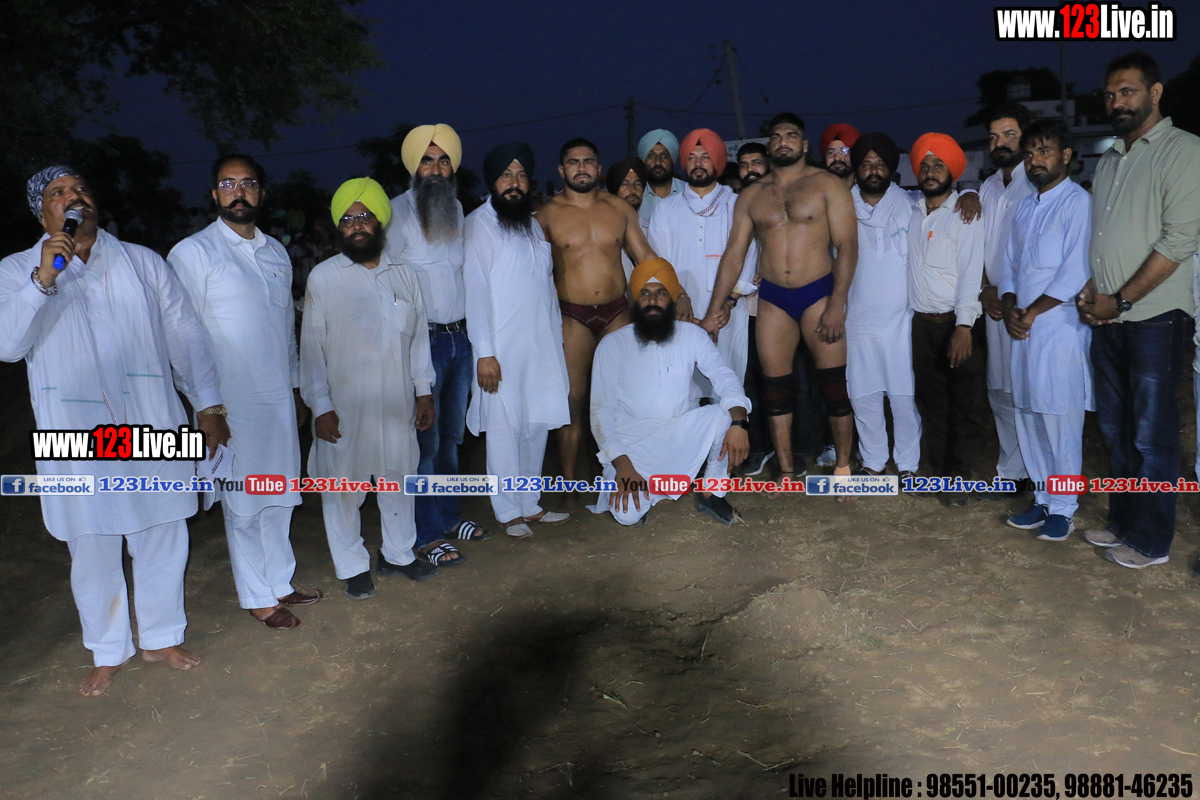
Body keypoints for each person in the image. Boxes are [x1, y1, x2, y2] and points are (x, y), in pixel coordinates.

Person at [0, 166, 230, 695]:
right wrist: (43, 279)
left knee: (162, 529)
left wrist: (208, 405)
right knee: (92, 540)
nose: (74, 197)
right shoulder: (17, 269)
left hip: (151, 419)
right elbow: (9, 346)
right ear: (42, 212)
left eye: (81, 188)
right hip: (75, 433)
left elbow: (185, 337)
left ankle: (161, 637)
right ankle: (107, 650)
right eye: (58, 193)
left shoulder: (143, 262)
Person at [168, 154, 321, 631]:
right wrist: (206, 406)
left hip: (276, 396)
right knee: (244, 498)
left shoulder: (276, 252)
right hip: (228, 401)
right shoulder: (193, 253)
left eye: (248, 183)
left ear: (261, 192)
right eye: (228, 183)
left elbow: (286, 329)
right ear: (215, 194)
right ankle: (257, 597)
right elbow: (180, 335)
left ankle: (280, 581)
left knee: (280, 493)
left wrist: (294, 388)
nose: (238, 191)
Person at [1077, 51, 1200, 569]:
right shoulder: (1109, 158)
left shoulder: (1184, 150)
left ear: (1155, 92)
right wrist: (1094, 289)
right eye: (1110, 94)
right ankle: (1124, 523)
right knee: (1117, 429)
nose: (1116, 102)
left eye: (1127, 91)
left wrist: (1122, 298)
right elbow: (1105, 238)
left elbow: (1180, 239)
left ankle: (1151, 541)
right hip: (1109, 317)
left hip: (1156, 317)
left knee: (1152, 434)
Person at [701, 113, 857, 483]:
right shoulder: (752, 195)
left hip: (819, 294)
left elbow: (848, 246)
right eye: (775, 136)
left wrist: (837, 303)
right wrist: (712, 312)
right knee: (775, 393)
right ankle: (787, 471)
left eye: (790, 135)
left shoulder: (826, 184)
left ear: (804, 144)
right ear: (769, 146)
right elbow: (734, 255)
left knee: (834, 387)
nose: (782, 141)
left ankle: (843, 467)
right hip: (773, 299)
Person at [300, 178, 437, 600]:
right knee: (343, 488)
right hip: (344, 406)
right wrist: (321, 406)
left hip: (396, 401)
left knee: (399, 478)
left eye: (364, 216)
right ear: (338, 228)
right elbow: (311, 349)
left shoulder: (405, 275)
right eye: (347, 219)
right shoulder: (324, 278)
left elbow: (418, 340)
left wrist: (424, 391)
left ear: (380, 222)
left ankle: (398, 553)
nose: (356, 225)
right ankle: (353, 566)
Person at [387, 124, 487, 567]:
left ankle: (448, 518)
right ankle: (425, 534)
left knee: (451, 439)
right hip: (420, 343)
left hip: (459, 340)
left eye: (443, 160)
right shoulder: (395, 213)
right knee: (423, 444)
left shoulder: (457, 209)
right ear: (414, 166)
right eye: (426, 160)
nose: (435, 168)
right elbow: (387, 285)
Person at [536, 138, 658, 503]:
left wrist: (677, 294)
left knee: (624, 398)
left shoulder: (619, 209)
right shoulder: (547, 214)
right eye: (574, 162)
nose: (582, 168)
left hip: (616, 312)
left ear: (599, 167)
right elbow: (533, 273)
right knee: (572, 400)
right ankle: (571, 485)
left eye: (588, 161)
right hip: (571, 314)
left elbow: (646, 258)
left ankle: (631, 474)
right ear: (561, 169)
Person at [590, 258, 750, 526]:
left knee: (726, 413)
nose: (653, 301)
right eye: (645, 293)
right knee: (627, 516)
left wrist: (739, 423)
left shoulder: (692, 335)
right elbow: (600, 412)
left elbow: (724, 376)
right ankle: (645, 488)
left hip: (677, 439)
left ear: (673, 298)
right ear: (635, 300)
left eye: (661, 293)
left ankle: (712, 493)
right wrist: (623, 466)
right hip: (632, 450)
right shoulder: (612, 344)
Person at [464, 143, 571, 538]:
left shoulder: (531, 225)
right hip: (501, 348)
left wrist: (556, 343)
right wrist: (485, 353)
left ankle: (529, 504)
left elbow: (545, 289)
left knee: (536, 424)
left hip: (540, 345)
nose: (515, 182)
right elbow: (475, 292)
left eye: (522, 175)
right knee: (504, 429)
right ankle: (508, 511)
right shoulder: (479, 225)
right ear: (493, 182)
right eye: (507, 175)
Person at [999, 118, 1093, 542]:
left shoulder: (1077, 203)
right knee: (1027, 411)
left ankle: (1064, 507)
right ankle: (1041, 496)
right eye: (1030, 153)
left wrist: (1032, 312)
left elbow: (1075, 270)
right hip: (1023, 326)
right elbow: (1010, 265)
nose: (1035, 160)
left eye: (1044, 151)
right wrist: (1010, 308)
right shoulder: (1023, 208)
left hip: (1059, 326)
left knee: (1059, 416)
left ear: (1066, 156)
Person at [906, 133, 987, 506]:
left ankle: (959, 477)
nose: (930, 171)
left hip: (959, 324)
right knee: (932, 405)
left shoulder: (965, 214)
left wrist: (964, 326)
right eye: (924, 165)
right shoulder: (910, 211)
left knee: (965, 406)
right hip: (922, 326)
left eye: (939, 165)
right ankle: (939, 473)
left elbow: (972, 273)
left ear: (952, 171)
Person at [649, 128, 757, 391]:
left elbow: (748, 256)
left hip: (728, 314)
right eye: (692, 157)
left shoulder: (738, 204)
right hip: (680, 311)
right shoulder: (665, 209)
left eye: (705, 157)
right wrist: (678, 297)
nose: (698, 163)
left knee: (727, 385)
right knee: (682, 389)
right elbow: (659, 262)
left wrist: (728, 303)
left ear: (718, 161)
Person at [844, 133, 921, 482]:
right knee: (864, 395)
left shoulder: (911, 204)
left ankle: (908, 465)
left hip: (901, 320)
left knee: (904, 398)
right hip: (857, 320)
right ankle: (873, 461)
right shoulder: (841, 207)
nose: (873, 170)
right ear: (856, 169)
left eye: (879, 164)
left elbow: (947, 200)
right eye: (866, 164)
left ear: (890, 168)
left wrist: (969, 195)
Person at [978, 104, 1035, 499]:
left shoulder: (1037, 183)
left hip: (1028, 307)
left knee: (1028, 392)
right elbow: (978, 246)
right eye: (994, 136)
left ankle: (1039, 475)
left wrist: (1015, 298)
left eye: (1009, 134)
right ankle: (1012, 474)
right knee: (1000, 391)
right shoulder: (987, 187)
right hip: (994, 304)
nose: (1000, 143)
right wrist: (985, 289)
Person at [735, 141, 775, 476]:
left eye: (756, 162)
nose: (751, 169)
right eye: (744, 164)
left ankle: (795, 449)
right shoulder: (737, 204)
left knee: (786, 382)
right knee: (749, 382)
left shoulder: (782, 199)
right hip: (743, 310)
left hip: (779, 308)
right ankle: (758, 446)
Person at [605, 157, 651, 283]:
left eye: (638, 184)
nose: (632, 190)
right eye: (625, 184)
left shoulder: (653, 228)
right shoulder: (603, 230)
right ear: (614, 188)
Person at [637, 129, 686, 222]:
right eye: (651, 156)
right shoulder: (635, 195)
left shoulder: (688, 192)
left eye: (664, 156)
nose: (658, 162)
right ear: (643, 161)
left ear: (672, 161)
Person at [820, 123, 860, 190]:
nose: (837, 157)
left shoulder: (866, 193)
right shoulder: (814, 191)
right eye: (831, 152)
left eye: (844, 151)